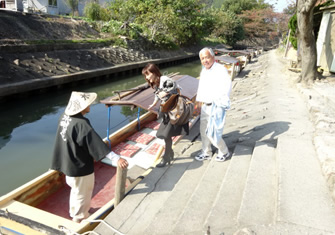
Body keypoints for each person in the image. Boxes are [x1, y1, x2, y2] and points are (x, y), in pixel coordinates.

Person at [51, 91, 128, 223]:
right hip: (79, 166)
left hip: (67, 162)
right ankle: (79, 218)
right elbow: (96, 144)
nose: (90, 105)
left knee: (75, 190)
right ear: (81, 107)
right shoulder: (82, 124)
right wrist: (117, 158)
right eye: (88, 104)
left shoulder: (64, 117)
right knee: (83, 192)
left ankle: (74, 210)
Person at [142, 63, 189, 167]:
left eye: (148, 74)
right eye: (145, 75)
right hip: (167, 112)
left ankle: (166, 157)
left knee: (165, 134)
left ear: (154, 72)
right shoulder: (157, 82)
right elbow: (158, 95)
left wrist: (167, 93)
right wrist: (153, 104)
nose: (147, 77)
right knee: (167, 135)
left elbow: (176, 90)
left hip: (173, 111)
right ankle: (169, 154)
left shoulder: (164, 79)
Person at [195, 47, 232, 162]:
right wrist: (198, 103)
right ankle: (206, 152)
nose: (205, 60)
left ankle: (224, 151)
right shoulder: (204, 71)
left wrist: (221, 105)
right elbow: (201, 88)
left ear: (213, 57)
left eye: (207, 57)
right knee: (203, 131)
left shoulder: (220, 69)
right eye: (202, 58)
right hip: (205, 106)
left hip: (216, 105)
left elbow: (227, 87)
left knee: (213, 133)